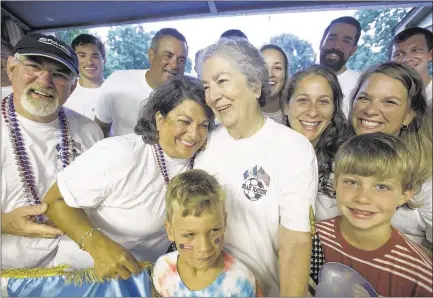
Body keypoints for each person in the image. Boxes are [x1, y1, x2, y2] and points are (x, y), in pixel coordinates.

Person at [42, 77, 214, 280]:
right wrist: (98, 246)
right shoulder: (120, 154)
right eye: (184, 121)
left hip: (142, 280)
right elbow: (53, 201)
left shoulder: (203, 159)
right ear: (160, 119)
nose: (194, 134)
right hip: (82, 279)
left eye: (203, 125)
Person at [195, 38, 318, 296]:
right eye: (206, 86)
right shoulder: (204, 145)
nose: (213, 96)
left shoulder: (292, 148)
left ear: (254, 85)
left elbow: (295, 242)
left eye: (222, 81)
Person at [1, 33, 103, 269]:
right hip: (8, 277)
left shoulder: (89, 132)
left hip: (75, 271)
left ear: (73, 85)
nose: (44, 80)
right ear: (11, 67)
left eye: (59, 74)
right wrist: (4, 223)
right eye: (34, 66)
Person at [309, 133, 433, 297]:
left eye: (381, 186)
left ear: (404, 195)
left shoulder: (419, 276)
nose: (362, 198)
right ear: (335, 184)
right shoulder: (310, 238)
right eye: (352, 182)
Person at [349, 62, 432, 252]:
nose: (370, 110)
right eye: (364, 98)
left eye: (389, 102)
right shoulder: (337, 159)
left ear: (409, 116)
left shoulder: (427, 182)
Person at [152, 169, 261, 297]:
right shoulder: (162, 269)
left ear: (224, 222)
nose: (205, 247)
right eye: (189, 235)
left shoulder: (242, 283)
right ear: (170, 231)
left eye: (214, 230)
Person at [283, 65, 351, 221]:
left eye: (323, 101)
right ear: (286, 107)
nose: (313, 112)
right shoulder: (267, 154)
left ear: (334, 109)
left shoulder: (347, 162)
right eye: (303, 100)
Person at [95, 28, 188, 137]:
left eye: (181, 60)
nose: (175, 65)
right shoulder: (116, 83)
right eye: (168, 55)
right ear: (151, 55)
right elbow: (100, 130)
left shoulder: (190, 94)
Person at [319, 16, 361, 118]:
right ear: (321, 42)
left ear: (353, 50)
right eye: (332, 38)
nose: (337, 46)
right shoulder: (302, 80)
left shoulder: (361, 84)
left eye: (346, 41)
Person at [63, 34, 106, 120]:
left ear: (104, 60)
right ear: (74, 59)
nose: (89, 62)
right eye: (82, 56)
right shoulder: (64, 90)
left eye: (95, 56)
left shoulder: (114, 90)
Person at [390, 27, 432, 105]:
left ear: (430, 55)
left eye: (415, 50)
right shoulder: (386, 91)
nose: (406, 59)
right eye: (398, 54)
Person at [260, 44, 289, 124]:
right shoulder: (242, 111)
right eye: (264, 68)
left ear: (285, 74)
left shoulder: (295, 111)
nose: (270, 74)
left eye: (277, 68)